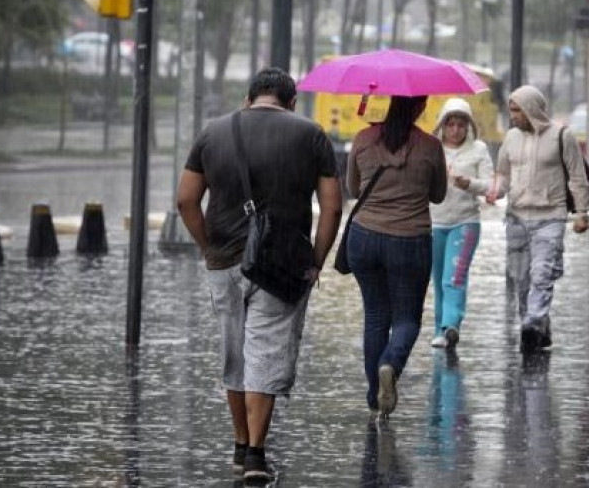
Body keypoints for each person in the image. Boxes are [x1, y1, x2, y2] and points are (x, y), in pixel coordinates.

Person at [176, 67, 342, 481]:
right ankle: (255, 455)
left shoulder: (212, 133)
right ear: (290, 102)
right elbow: (332, 207)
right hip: (282, 265)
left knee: (234, 353)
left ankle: (238, 445)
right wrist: (316, 261)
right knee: (264, 354)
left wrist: (208, 247)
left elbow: (185, 201)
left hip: (225, 261)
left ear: (248, 99)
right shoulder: (312, 134)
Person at [346, 95, 447, 419]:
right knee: (407, 320)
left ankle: (375, 395)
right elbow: (438, 195)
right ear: (419, 107)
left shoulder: (363, 139)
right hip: (409, 241)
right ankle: (390, 363)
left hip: (364, 239)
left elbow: (353, 188)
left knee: (375, 316)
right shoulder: (431, 146)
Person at [486, 85, 589, 351]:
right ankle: (536, 324)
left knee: (542, 273)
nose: (512, 116)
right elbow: (503, 175)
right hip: (517, 217)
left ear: (531, 109)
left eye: (517, 110)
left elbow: (578, 177)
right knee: (520, 278)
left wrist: (582, 213)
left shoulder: (562, 136)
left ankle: (532, 324)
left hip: (551, 217)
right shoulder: (510, 138)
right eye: (510, 110)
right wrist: (491, 192)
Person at [428, 98, 494, 349]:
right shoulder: (432, 148)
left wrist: (470, 183)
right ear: (442, 125)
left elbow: (490, 185)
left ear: (468, 126)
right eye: (450, 124)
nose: (455, 130)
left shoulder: (478, 150)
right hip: (434, 223)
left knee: (453, 277)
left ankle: (451, 326)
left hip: (465, 222)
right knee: (439, 279)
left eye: (461, 125)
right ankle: (439, 329)